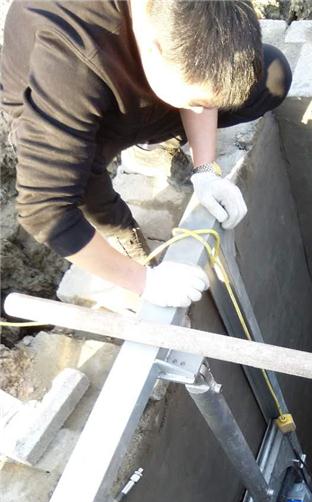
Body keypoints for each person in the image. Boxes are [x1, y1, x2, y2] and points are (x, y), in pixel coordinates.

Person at [1, 1, 291, 308]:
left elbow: (203, 79)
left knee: (272, 78)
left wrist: (206, 170)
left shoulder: (175, 21)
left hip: (132, 77)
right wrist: (145, 282)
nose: (199, 110)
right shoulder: (70, 62)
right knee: (85, 182)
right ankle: (124, 239)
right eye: (193, 102)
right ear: (154, 48)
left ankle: (155, 143)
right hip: (60, 104)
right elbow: (45, 211)